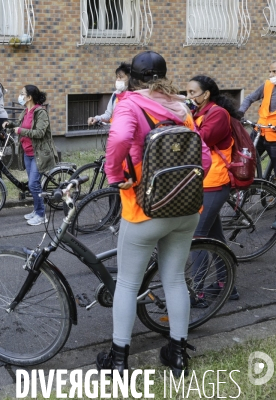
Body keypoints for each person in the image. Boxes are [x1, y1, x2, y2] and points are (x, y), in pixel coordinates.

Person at [96, 51, 212, 378]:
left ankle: (118, 361)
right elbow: (203, 160)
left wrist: (114, 175)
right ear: (164, 75)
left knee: (128, 285)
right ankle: (177, 355)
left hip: (144, 208)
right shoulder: (181, 106)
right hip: (186, 209)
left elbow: (118, 137)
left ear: (133, 76)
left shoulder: (130, 104)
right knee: (175, 279)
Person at [186, 75, 241, 303]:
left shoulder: (217, 113)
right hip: (204, 182)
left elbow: (200, 141)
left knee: (197, 238)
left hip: (214, 182)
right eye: (187, 92)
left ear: (206, 94)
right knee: (215, 238)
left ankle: (195, 292)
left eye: (192, 92)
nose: (189, 96)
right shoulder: (200, 112)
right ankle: (225, 283)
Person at [3, 85, 59, 226]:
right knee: (33, 184)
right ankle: (36, 210)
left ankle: (41, 215)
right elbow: (20, 124)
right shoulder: (26, 111)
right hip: (27, 153)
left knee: (34, 184)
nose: (20, 96)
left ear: (29, 97)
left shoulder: (40, 113)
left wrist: (20, 131)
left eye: (22, 94)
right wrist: (10, 124)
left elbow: (39, 133)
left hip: (39, 154)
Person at [239, 61, 276, 181]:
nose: (271, 75)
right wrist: (240, 112)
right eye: (270, 71)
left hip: (274, 137)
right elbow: (249, 98)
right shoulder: (267, 85)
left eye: (274, 72)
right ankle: (250, 187)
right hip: (259, 131)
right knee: (246, 160)